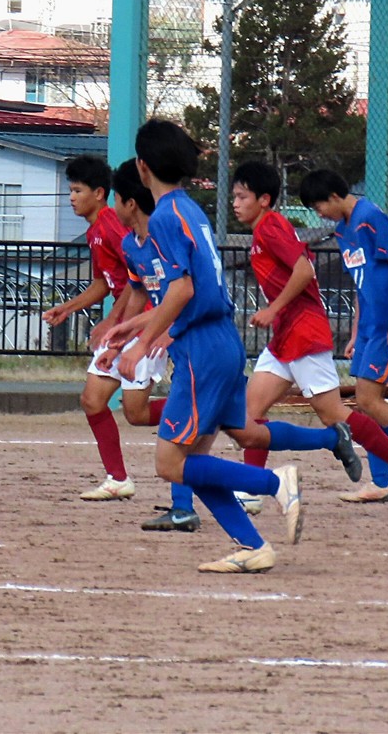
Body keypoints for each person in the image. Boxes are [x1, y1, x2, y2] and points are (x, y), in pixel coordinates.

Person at [103, 120, 305, 574]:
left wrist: (141, 345)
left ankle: (274, 482)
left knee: (169, 463)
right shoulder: (188, 209)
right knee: (194, 460)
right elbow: (189, 290)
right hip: (220, 340)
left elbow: (183, 290)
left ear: (143, 166)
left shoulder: (164, 217)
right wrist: (134, 325)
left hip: (202, 350)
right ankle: (252, 545)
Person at [231, 161, 388, 505]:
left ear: (264, 200)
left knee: (334, 414)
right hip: (286, 336)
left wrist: (273, 309)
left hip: (304, 333)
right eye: (234, 196)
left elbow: (304, 271)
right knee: (250, 412)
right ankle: (251, 489)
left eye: (242, 196)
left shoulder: (272, 227)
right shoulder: (265, 231)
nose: (235, 203)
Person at [299, 169, 388, 507]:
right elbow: (362, 282)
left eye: (319, 206)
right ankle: (381, 482)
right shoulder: (342, 230)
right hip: (369, 328)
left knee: (368, 401)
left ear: (334, 196)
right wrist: (356, 330)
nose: (319, 214)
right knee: (364, 406)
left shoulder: (370, 216)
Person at [42, 153, 153, 501]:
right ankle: (117, 478)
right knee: (92, 400)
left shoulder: (111, 224)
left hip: (142, 320)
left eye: (77, 190)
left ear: (100, 193)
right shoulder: (95, 230)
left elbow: (137, 280)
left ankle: (202, 411)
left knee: (136, 413)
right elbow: (103, 283)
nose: (71, 197)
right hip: (124, 322)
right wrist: (67, 308)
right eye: (70, 190)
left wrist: (112, 321)